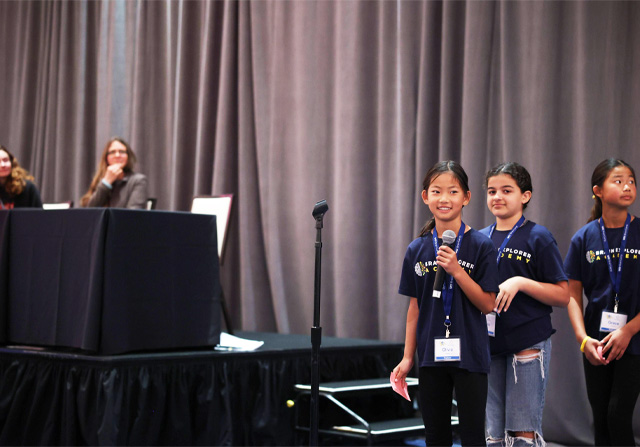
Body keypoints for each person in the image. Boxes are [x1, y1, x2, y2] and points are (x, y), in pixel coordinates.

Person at [392, 160, 499, 446]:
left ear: (466, 197)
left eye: (453, 192)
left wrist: (457, 271)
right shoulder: (417, 249)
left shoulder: (481, 245)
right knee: (435, 435)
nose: (444, 199)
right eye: (437, 191)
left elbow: (488, 304)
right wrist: (407, 357)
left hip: (471, 354)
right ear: (425, 197)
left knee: (473, 435)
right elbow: (414, 309)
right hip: (431, 355)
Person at [479, 162, 569, 447]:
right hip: (489, 344)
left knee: (522, 434)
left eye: (507, 190)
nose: (498, 197)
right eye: (492, 191)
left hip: (527, 342)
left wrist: (521, 282)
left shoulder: (538, 236)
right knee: (493, 435)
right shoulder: (479, 239)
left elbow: (563, 295)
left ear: (525, 196)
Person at [564, 158, 640, 446]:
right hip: (597, 343)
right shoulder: (584, 238)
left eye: (631, 181)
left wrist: (629, 330)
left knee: (618, 416)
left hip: (634, 340)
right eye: (618, 181)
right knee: (601, 419)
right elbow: (571, 295)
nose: (627, 187)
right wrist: (584, 340)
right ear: (598, 190)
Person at [80, 137, 148, 209]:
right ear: (106, 157)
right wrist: (107, 182)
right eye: (112, 152)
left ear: (128, 156)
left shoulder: (138, 181)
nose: (117, 155)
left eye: (122, 152)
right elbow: (89, 210)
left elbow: (133, 213)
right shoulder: (101, 179)